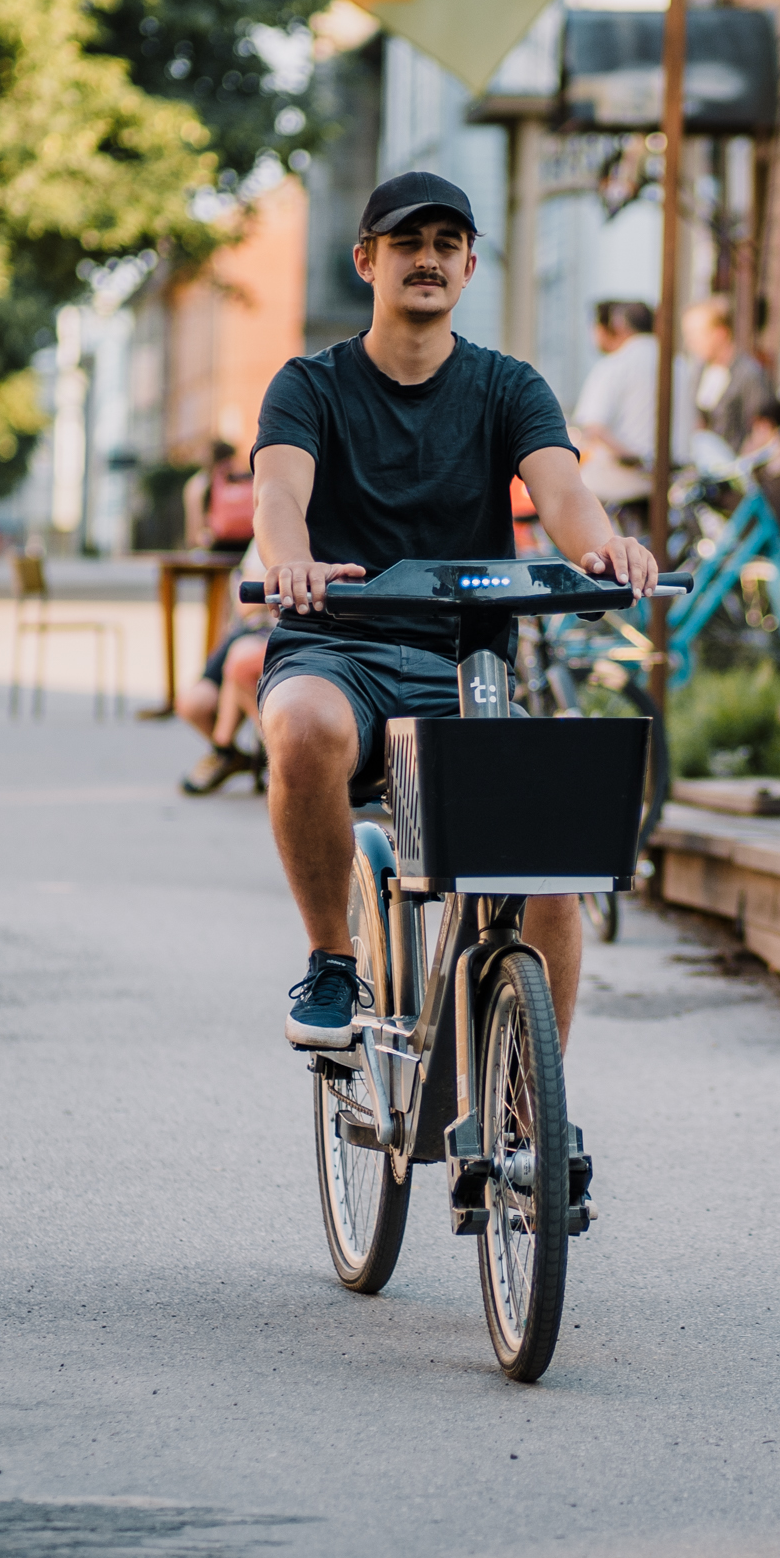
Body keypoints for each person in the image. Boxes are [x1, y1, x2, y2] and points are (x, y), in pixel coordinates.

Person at [254, 171, 659, 1051]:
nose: (427, 260)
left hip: (461, 668)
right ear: (367, 260)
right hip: (336, 649)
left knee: (551, 862)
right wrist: (293, 566)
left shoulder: (510, 388)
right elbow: (278, 494)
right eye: (407, 243)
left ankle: (531, 1098)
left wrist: (607, 552)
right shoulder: (309, 386)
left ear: (471, 266)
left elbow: (567, 496)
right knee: (301, 726)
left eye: (446, 245)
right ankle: (331, 958)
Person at [570, 298, 695, 538]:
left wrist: (631, 457)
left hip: (630, 480)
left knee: (570, 490)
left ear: (620, 326)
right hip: (675, 477)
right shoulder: (679, 363)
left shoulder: (616, 364)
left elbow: (593, 427)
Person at [177, 552, 271, 795]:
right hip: (251, 631)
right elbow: (245, 605)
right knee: (192, 704)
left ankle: (223, 750)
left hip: (284, 633)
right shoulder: (272, 527)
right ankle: (234, 756)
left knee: (240, 661)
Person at [682, 295, 780, 466]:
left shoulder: (748, 374)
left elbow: (761, 431)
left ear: (720, 333)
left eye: (697, 334)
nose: (690, 342)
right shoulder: (699, 371)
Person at [185, 438, 256, 553]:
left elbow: (194, 530)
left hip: (212, 545)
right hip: (241, 544)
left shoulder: (198, 484)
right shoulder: (240, 480)